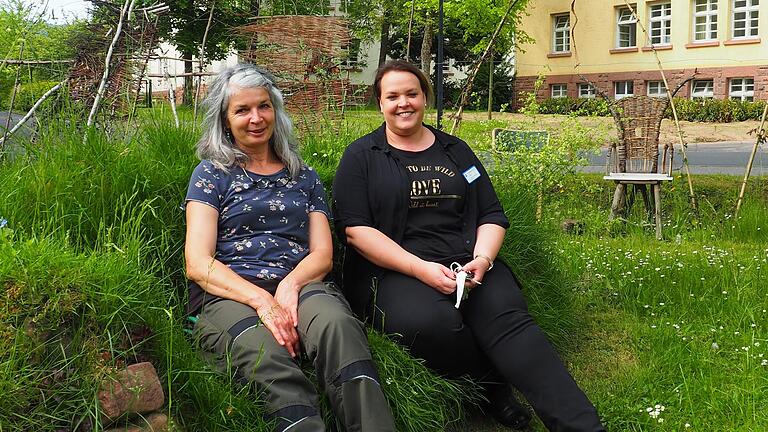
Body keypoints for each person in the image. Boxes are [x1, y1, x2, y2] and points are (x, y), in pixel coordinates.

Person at [332, 60, 605, 432]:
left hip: (467, 263)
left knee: (510, 323)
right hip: (395, 270)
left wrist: (484, 259)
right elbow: (355, 231)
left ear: (424, 97)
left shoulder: (456, 151)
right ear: (379, 103)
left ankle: (583, 426)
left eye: (411, 94)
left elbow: (491, 213)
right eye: (392, 96)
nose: (403, 103)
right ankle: (493, 389)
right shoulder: (361, 157)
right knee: (433, 325)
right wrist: (421, 269)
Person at [184, 63, 395, 432]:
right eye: (242, 110)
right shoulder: (211, 173)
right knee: (270, 361)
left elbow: (322, 255)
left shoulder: (304, 175)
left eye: (263, 106)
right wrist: (264, 302)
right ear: (224, 118)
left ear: (276, 110)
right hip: (229, 295)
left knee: (339, 330)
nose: (255, 118)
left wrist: (291, 286)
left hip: (302, 284)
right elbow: (198, 263)